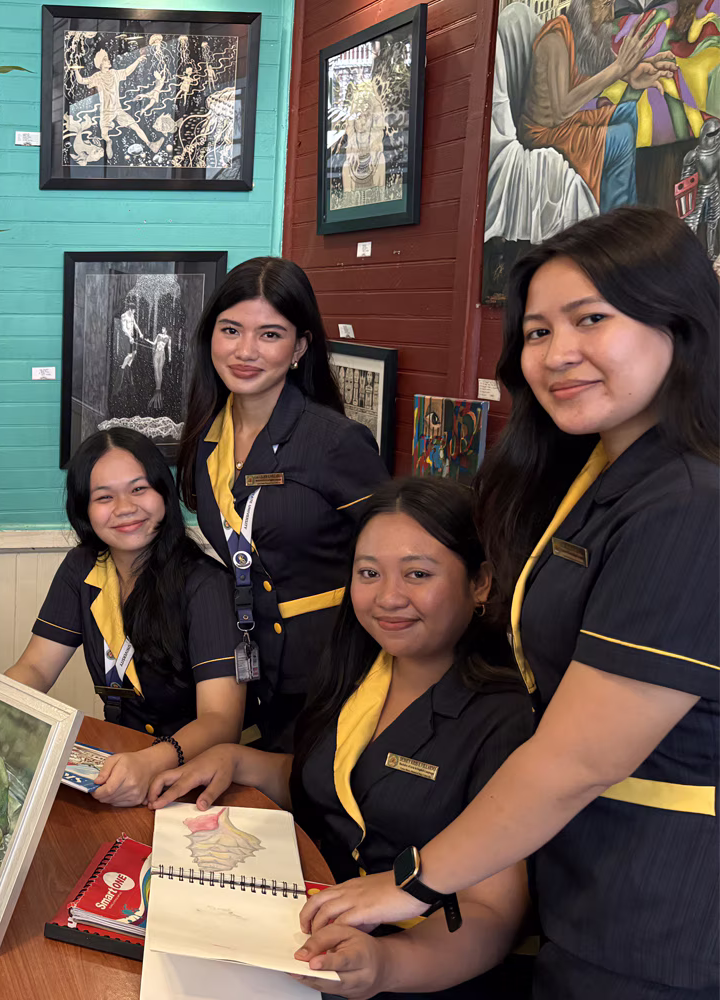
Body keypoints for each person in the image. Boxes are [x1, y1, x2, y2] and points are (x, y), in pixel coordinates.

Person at [299, 207, 719, 1000]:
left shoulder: (691, 503)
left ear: (679, 322)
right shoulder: (599, 478)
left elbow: (581, 757)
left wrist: (413, 884)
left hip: (665, 916)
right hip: (584, 893)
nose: (557, 354)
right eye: (535, 332)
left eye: (591, 319)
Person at [150, 478, 534, 999]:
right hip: (305, 936)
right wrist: (236, 760)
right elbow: (329, 781)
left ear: (481, 583)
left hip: (411, 973)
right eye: (369, 573)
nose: (389, 597)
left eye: (418, 574)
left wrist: (387, 964)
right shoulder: (357, 668)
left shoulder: (506, 717)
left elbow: (493, 913)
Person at [176, 257, 389, 752]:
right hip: (255, 675)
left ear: (300, 347)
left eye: (269, 334)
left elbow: (396, 557)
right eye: (231, 330)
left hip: (339, 678)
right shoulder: (206, 437)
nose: (245, 351)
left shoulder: (336, 441)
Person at [7, 428, 246, 807]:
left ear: (163, 493)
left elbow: (221, 720)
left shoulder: (206, 584)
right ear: (84, 509)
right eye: (104, 497)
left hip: (197, 778)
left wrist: (151, 761)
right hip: (119, 760)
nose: (124, 507)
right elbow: (35, 667)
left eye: (138, 489)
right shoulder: (81, 568)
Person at [520, 0, 675, 211]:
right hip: (545, 135)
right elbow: (561, 110)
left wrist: (638, 71)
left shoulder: (584, 37)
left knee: (630, 111)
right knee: (622, 137)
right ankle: (615, 219)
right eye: (605, 5)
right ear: (584, 6)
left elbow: (614, 67)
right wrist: (619, 68)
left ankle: (623, 207)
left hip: (565, 126)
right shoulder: (554, 40)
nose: (610, 15)